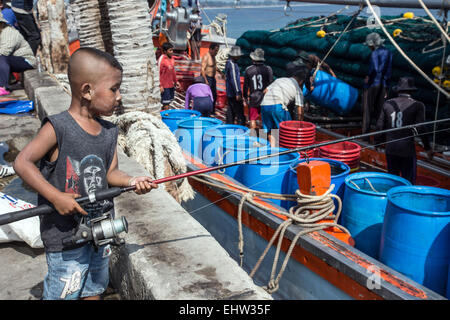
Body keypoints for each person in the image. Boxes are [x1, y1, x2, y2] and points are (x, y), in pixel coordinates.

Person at [13, 47, 158, 300]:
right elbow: (22, 163)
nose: (119, 96)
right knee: (65, 290)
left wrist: (133, 181)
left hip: (100, 231)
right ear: (87, 91)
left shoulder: (109, 132)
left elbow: (110, 173)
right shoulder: (58, 128)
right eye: (114, 89)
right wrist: (56, 196)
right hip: (65, 237)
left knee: (95, 287)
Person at [375, 77, 433, 185]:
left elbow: (379, 126)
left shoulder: (387, 104)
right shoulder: (418, 105)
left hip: (390, 148)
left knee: (392, 181)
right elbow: (421, 128)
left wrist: (377, 143)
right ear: (411, 91)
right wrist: (428, 148)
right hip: (407, 150)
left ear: (397, 90)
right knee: (408, 182)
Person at [260, 60, 307, 147]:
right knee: (287, 129)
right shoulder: (298, 89)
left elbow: (265, 91)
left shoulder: (280, 79)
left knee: (270, 129)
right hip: (277, 106)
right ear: (301, 81)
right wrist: (300, 124)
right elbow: (300, 111)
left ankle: (273, 149)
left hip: (264, 104)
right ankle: (284, 149)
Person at [362, 32, 393, 137]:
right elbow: (388, 72)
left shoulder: (374, 53)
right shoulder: (389, 53)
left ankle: (365, 136)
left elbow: (375, 69)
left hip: (373, 84)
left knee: (367, 110)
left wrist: (368, 79)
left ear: (373, 44)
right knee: (380, 111)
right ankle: (379, 137)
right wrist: (387, 87)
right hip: (383, 85)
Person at [0, 13, 35, 96]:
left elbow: (4, 52)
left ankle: (3, 87)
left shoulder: (9, 32)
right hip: (11, 60)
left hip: (26, 60)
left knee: (1, 58)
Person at [243, 48, 273, 130]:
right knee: (264, 120)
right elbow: (271, 84)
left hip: (253, 98)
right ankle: (263, 139)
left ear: (253, 59)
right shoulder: (268, 69)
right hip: (264, 97)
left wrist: (245, 97)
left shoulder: (248, 70)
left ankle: (253, 140)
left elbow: (245, 85)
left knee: (252, 119)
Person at [225, 45, 246, 126]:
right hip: (234, 93)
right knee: (239, 112)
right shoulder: (232, 65)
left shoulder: (228, 62)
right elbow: (234, 79)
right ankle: (241, 128)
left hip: (229, 92)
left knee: (230, 111)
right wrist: (237, 92)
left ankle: (229, 125)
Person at [158, 42, 179, 110]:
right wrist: (160, 85)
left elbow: (173, 71)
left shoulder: (172, 59)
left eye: (172, 50)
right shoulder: (161, 59)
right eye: (170, 50)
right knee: (165, 104)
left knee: (169, 102)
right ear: (165, 51)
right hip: (164, 86)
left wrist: (176, 81)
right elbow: (158, 72)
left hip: (171, 85)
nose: (172, 52)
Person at [201, 42, 219, 114]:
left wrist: (221, 73)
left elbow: (214, 66)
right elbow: (202, 69)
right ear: (210, 49)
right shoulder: (206, 57)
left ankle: (212, 110)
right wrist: (205, 81)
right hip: (207, 78)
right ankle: (206, 111)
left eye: (217, 51)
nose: (216, 52)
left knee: (214, 95)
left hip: (212, 78)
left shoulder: (213, 56)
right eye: (215, 50)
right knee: (207, 96)